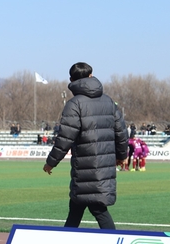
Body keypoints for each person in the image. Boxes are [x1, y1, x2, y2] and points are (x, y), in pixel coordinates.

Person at [43, 62, 128, 229]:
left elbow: (65, 137)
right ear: (91, 76)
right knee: (78, 206)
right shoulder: (108, 102)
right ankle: (66, 242)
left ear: (71, 80)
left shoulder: (75, 104)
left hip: (84, 165)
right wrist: (122, 156)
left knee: (96, 208)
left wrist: (51, 162)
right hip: (104, 164)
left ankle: (113, 243)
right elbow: (121, 132)